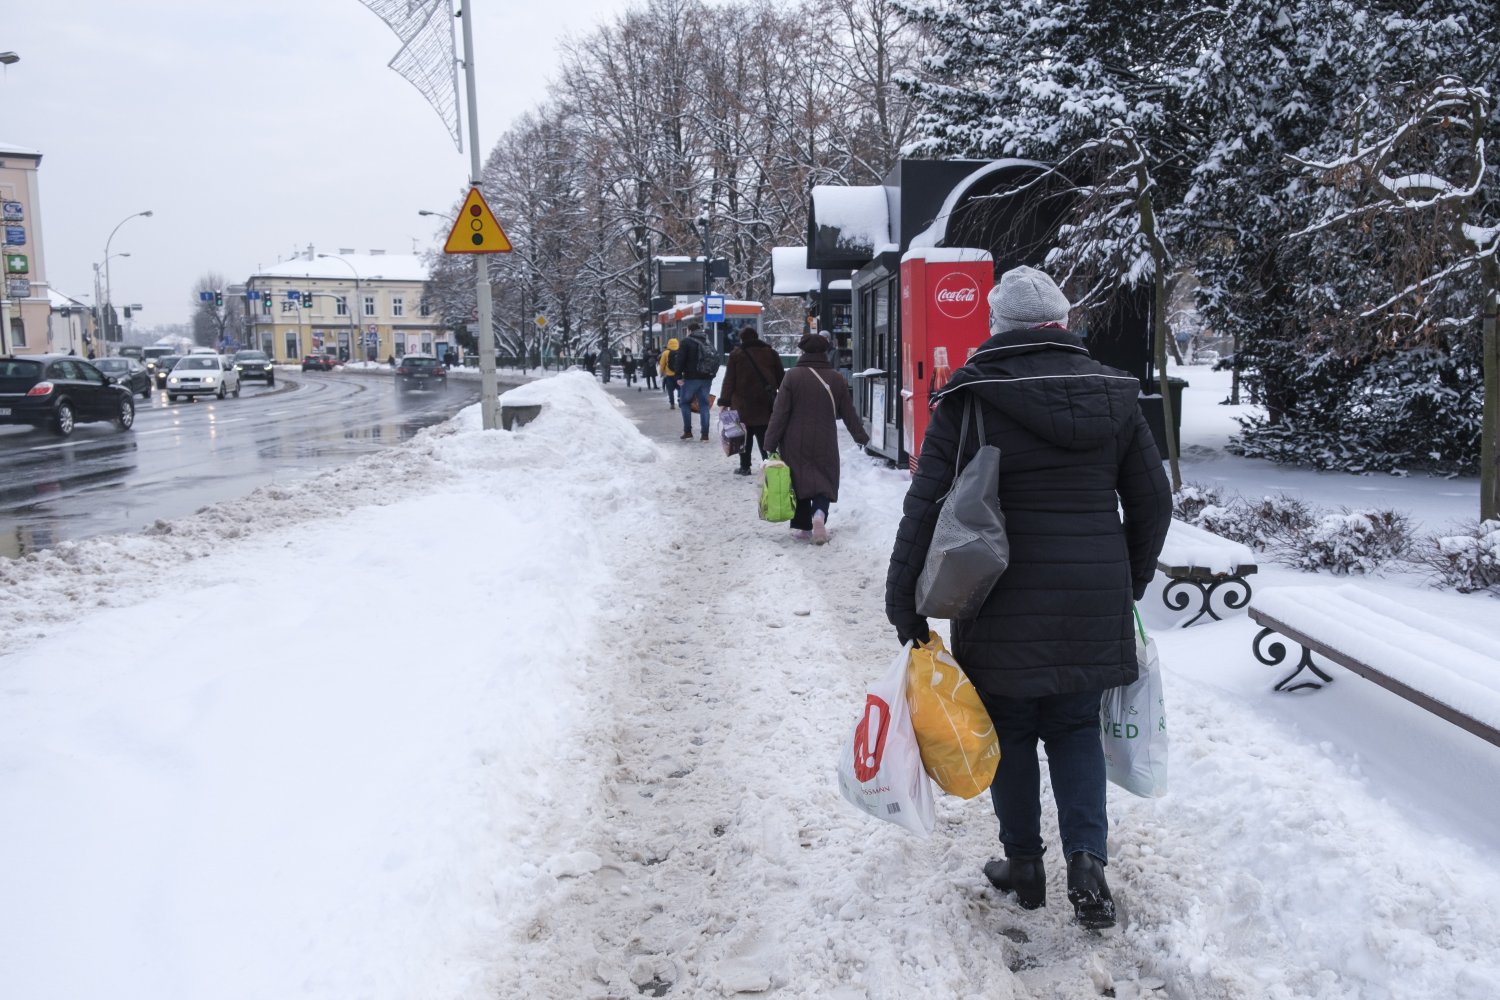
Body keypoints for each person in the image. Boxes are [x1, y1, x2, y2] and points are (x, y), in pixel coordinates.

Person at [884, 265, 1172, 930]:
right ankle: (1088, 864)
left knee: (1011, 731)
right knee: (1075, 729)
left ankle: (1025, 866)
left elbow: (925, 504)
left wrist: (906, 600)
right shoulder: (1114, 396)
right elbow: (1153, 503)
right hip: (1091, 599)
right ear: (1063, 323)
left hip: (997, 599)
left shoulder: (972, 397)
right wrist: (1127, 579)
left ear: (998, 327)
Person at [764, 333, 868, 542]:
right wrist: (860, 436)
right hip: (825, 438)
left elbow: (780, 412)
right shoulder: (837, 378)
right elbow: (848, 412)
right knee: (824, 478)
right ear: (824, 352)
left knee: (798, 480)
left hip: (795, 439)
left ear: (802, 352)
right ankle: (819, 514)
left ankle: (804, 528)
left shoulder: (792, 376)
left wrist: (770, 442)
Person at [718, 328, 785, 477]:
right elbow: (781, 377)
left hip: (743, 404)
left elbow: (729, 380)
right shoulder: (771, 353)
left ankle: (745, 467)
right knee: (765, 436)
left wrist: (724, 401)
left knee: (744, 437)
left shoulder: (736, 355)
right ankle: (769, 464)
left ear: (742, 339)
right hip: (765, 403)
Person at [671, 323, 718, 441]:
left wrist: (677, 376)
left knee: (685, 403)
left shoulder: (686, 342)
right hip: (706, 378)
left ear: (689, 330)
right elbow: (716, 359)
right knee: (704, 405)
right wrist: (712, 375)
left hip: (691, 378)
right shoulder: (707, 341)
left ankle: (688, 431)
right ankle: (705, 435)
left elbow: (680, 360)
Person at [659, 338, 679, 409]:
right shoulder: (680, 351)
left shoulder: (665, 353)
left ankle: (672, 404)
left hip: (669, 375)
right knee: (680, 389)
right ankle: (680, 400)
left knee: (670, 390)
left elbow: (662, 364)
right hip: (679, 375)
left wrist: (661, 372)